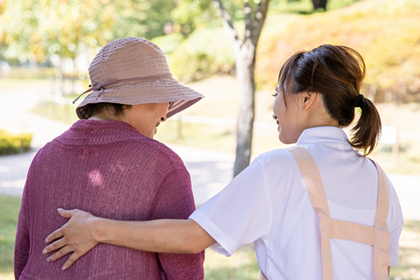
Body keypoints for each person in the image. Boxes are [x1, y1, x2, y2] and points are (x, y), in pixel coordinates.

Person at [43, 45, 404, 279]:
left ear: (307, 98)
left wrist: (95, 228)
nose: (273, 106)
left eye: (277, 93)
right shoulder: (381, 183)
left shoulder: (281, 169)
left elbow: (192, 236)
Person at [14, 37, 205, 280]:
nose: (166, 113)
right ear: (141, 98)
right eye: (166, 98)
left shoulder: (45, 156)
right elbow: (184, 265)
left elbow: (24, 252)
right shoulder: (162, 164)